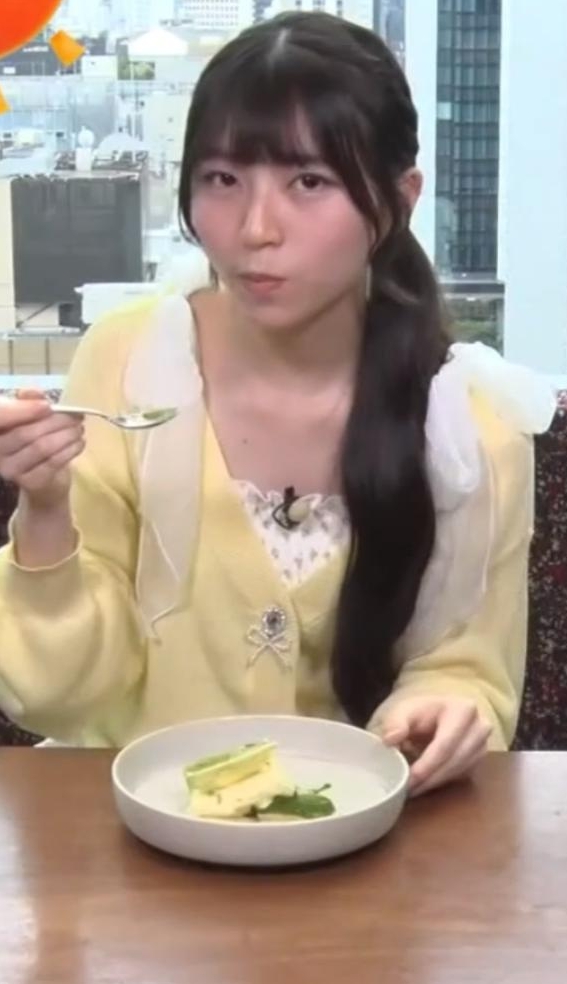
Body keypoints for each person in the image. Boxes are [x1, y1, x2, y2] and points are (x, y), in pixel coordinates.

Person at [0, 12, 555, 794]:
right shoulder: (127, 361)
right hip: (127, 833)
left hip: (357, 840)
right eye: (222, 180)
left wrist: (442, 706)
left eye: (309, 182)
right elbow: (60, 698)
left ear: (399, 200)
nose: (255, 229)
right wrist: (45, 513)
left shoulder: (473, 426)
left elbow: (466, 671)